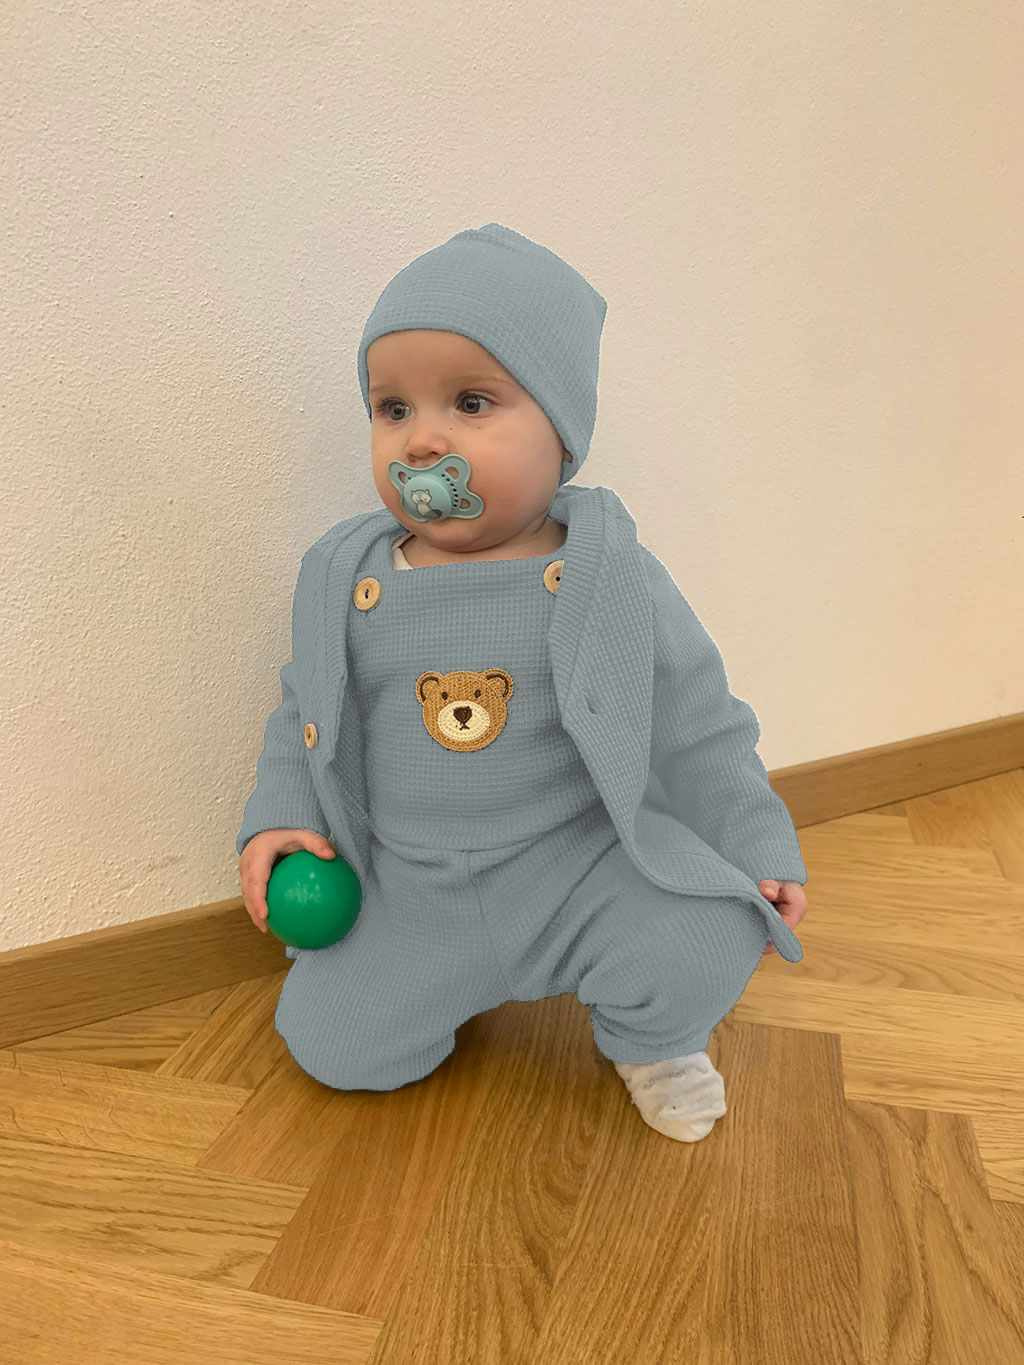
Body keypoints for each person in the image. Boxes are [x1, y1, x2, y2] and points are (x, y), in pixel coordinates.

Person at [237, 223, 808, 1143]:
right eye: (392, 408)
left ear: (563, 433)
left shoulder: (608, 571)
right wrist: (279, 815)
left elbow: (699, 718)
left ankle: (651, 1041)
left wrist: (755, 839)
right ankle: (433, 987)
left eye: (471, 402)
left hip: (576, 867)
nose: (423, 440)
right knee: (331, 1045)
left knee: (709, 932)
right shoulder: (345, 575)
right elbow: (306, 710)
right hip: (410, 886)